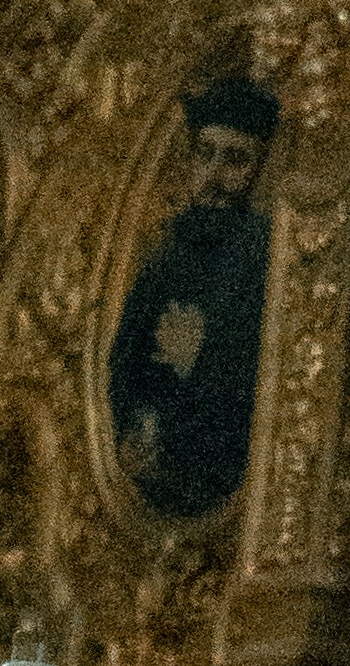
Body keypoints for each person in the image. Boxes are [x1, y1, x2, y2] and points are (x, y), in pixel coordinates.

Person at [105, 74, 278, 521]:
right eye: (205, 154)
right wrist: (136, 426)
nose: (215, 176)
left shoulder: (263, 255)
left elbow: (242, 377)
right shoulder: (168, 250)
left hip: (213, 472)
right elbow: (124, 357)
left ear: (258, 170)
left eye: (235, 160)